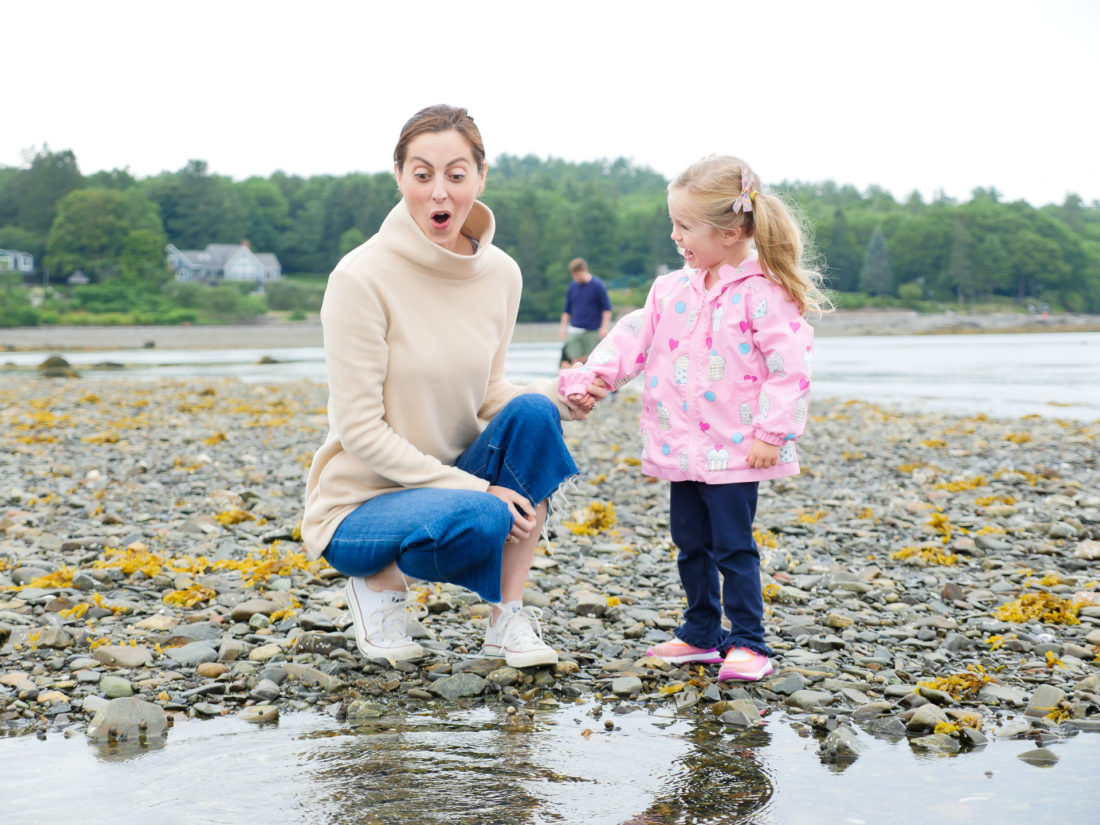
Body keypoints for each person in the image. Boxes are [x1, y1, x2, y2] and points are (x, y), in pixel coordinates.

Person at [302, 104, 589, 669]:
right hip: (360, 509)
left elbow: (487, 394)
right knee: (486, 516)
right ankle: (377, 584)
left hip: (452, 484)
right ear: (399, 176)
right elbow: (359, 429)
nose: (439, 193)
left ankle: (506, 618)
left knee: (533, 413)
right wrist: (477, 490)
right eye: (422, 174)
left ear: (480, 178)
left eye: (456, 176)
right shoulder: (359, 277)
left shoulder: (501, 273)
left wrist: (565, 398)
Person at [559, 156, 830, 682]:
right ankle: (701, 633)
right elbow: (634, 337)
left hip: (736, 447)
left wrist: (772, 433)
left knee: (734, 546)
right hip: (679, 444)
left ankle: (749, 641)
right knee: (689, 544)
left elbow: (790, 366)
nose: (674, 235)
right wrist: (596, 376)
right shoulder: (672, 290)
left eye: (685, 226)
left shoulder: (763, 291)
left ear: (731, 232)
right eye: (673, 223)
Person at [558, 258, 611, 367]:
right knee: (574, 359)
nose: (576, 278)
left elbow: (606, 309)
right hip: (575, 328)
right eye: (574, 275)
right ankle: (577, 382)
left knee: (591, 359)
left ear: (585, 270)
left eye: (578, 274)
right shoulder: (572, 286)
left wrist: (604, 328)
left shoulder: (598, 285)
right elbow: (566, 310)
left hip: (592, 329)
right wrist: (563, 328)